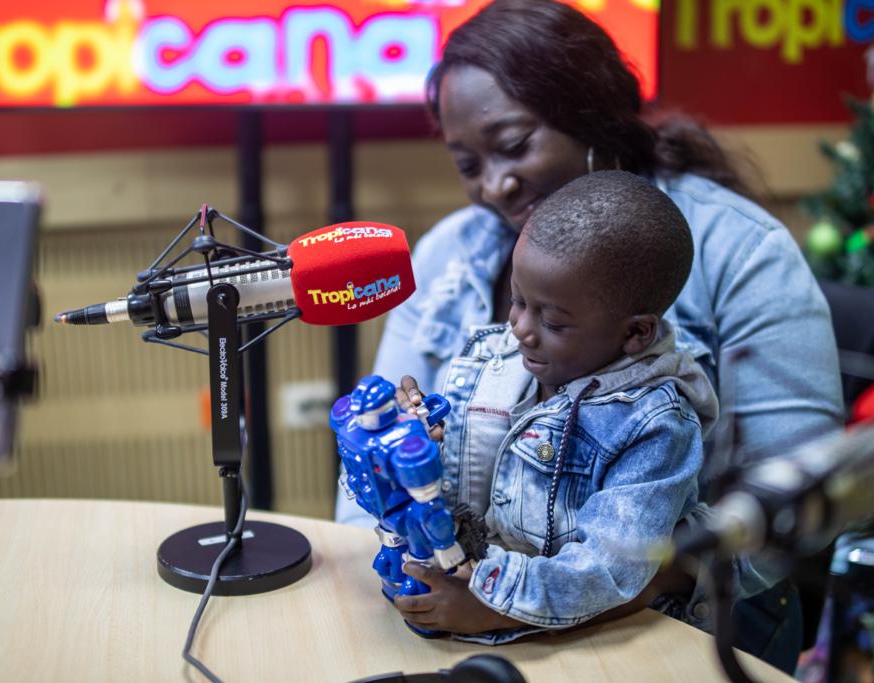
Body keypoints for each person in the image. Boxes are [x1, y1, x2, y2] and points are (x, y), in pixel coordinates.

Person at [336, 0, 843, 672]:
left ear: (593, 121)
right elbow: (365, 495)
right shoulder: (447, 257)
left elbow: (798, 509)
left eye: (514, 145)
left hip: (675, 622)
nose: (495, 184)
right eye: (467, 163)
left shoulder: (741, 250)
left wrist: (561, 593)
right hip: (475, 611)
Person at [384, 169, 719, 642]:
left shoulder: (658, 426)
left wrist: (489, 604)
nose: (520, 328)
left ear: (635, 333)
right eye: (518, 300)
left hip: (603, 640)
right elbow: (462, 491)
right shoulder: (497, 358)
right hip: (491, 619)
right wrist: (416, 443)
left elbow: (609, 570)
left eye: (554, 322)